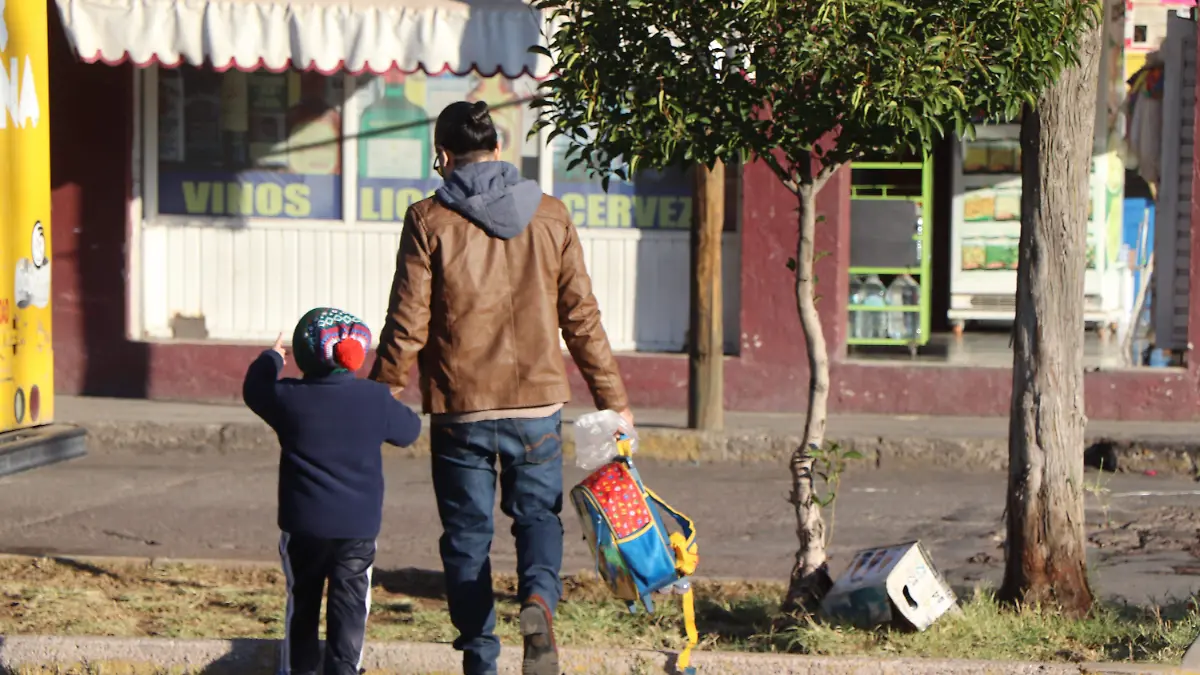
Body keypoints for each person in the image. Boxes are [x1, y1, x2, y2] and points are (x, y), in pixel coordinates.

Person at [369, 100, 633, 675]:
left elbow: (408, 325)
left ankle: (479, 660)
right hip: (538, 405)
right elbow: (581, 318)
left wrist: (377, 396)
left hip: (460, 408)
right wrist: (614, 402)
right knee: (538, 518)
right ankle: (538, 601)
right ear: (498, 149)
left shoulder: (428, 219)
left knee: (466, 537)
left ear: (442, 155)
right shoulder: (552, 215)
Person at [243, 307, 423, 675]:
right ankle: (344, 669)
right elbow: (409, 432)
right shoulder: (373, 399)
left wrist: (273, 357)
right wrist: (383, 399)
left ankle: (299, 670)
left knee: (303, 601)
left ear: (306, 355)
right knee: (351, 602)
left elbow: (254, 389)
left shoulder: (287, 397)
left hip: (303, 526)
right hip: (357, 529)